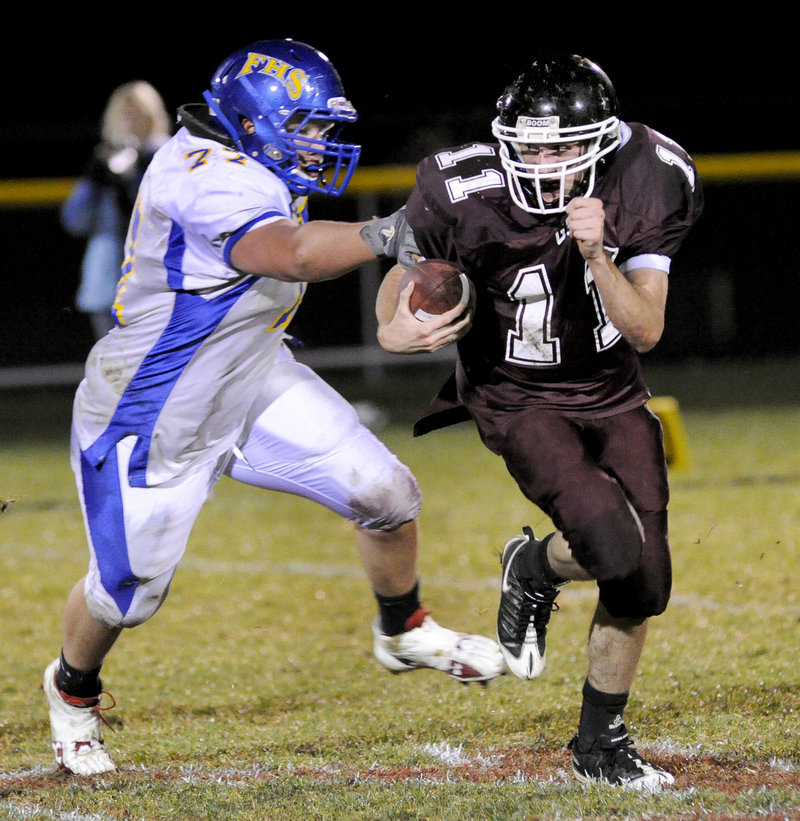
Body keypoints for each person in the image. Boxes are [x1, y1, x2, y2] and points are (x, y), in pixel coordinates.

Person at [43, 39, 505, 777]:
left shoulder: (253, 156)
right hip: (155, 406)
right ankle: (72, 691)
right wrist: (389, 234)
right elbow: (289, 253)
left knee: (386, 494)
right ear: (255, 119)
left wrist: (399, 301)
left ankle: (403, 627)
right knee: (127, 594)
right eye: (309, 128)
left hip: (252, 374)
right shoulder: (201, 173)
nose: (320, 145)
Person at [376, 53, 704, 790]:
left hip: (613, 388)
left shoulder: (652, 173)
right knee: (614, 544)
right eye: (527, 144)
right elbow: (407, 263)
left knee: (644, 582)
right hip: (513, 393)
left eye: (559, 146)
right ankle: (599, 737)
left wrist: (595, 251)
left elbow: (646, 327)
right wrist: (391, 327)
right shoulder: (460, 184)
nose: (540, 160)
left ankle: (542, 591)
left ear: (602, 140)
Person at [61, 81, 172, 339]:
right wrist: (95, 181)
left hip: (158, 278)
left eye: (138, 115)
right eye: (124, 116)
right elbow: (74, 222)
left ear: (153, 117)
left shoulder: (170, 155)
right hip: (109, 277)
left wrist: (141, 176)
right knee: (112, 371)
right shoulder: (108, 158)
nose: (131, 123)